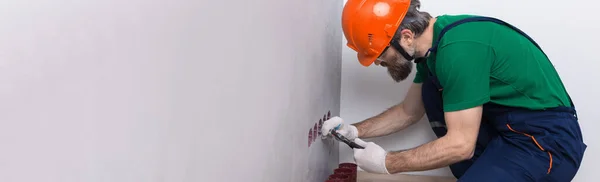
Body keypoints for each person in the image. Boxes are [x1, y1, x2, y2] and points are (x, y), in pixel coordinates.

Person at [321, 0, 587, 181]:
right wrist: (354, 130)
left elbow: (460, 146)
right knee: (432, 94)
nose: (378, 62)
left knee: (454, 141)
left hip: (546, 141)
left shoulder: (460, 50)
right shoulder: (434, 51)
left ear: (405, 36)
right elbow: (407, 112)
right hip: (507, 133)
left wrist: (388, 163)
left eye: (379, 53)